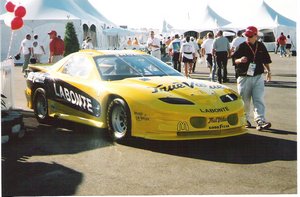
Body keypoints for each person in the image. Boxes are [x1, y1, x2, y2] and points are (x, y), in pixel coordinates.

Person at [232, 26, 272, 131]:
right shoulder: (242, 46)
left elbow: (266, 60)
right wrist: (240, 60)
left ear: (256, 35)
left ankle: (260, 120)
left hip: (258, 76)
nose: (247, 38)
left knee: (258, 99)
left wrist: (268, 71)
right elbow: (234, 60)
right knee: (245, 101)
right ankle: (245, 119)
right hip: (244, 77)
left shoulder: (261, 46)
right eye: (246, 35)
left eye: (250, 36)